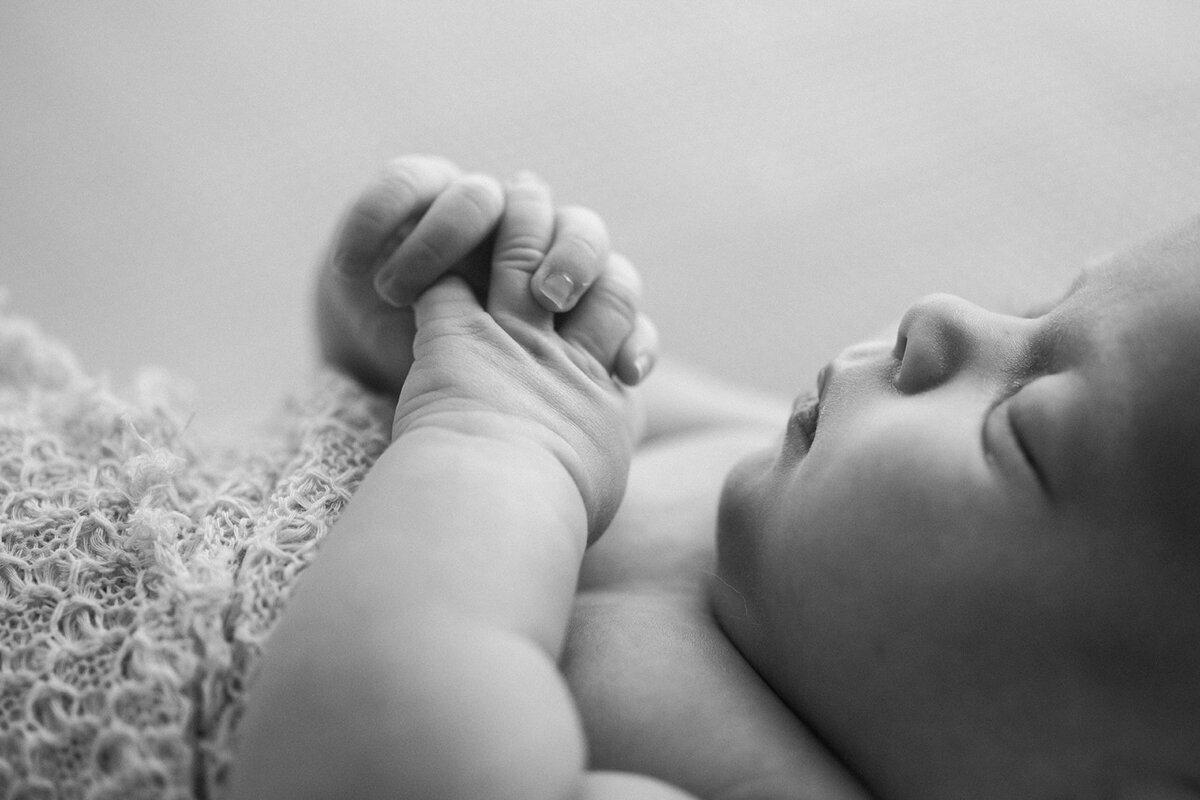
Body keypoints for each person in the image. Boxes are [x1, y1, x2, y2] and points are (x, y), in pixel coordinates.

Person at [229, 155, 1200, 800]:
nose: (942, 316)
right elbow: (520, 378)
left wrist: (489, 433)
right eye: (1040, 307)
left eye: (1025, 428)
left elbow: (362, 765)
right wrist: (420, 312)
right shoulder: (770, 455)